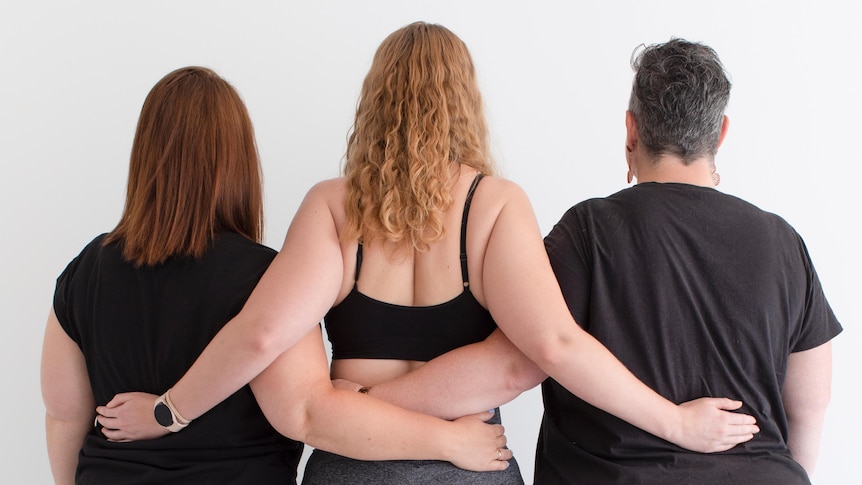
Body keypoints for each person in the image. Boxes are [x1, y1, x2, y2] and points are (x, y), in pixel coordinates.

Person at [97, 24, 759, 483]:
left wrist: (168, 410)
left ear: (376, 100)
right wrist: (674, 421)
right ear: (466, 100)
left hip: (348, 464)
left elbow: (263, 333)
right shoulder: (495, 205)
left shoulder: (334, 206)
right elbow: (550, 346)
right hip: (471, 458)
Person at [40, 66, 511, 485]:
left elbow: (63, 415)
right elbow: (307, 410)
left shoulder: (85, 271)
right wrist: (447, 441)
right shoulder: (268, 277)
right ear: (240, 162)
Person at [535, 39, 841, 483]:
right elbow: (811, 408)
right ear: (720, 133)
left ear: (631, 129)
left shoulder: (585, 232)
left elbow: (524, 357)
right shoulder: (784, 242)